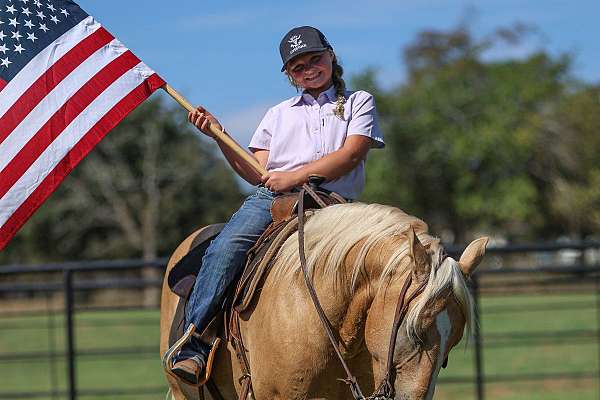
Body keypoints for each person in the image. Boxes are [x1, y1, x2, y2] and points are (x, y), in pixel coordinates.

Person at [171, 25, 385, 384]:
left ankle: (388, 344)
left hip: (335, 202)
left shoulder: (357, 101)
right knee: (227, 247)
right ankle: (196, 341)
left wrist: (296, 175)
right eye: (298, 67)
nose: (309, 69)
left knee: (384, 255)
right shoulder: (278, 114)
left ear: (330, 56)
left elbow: (351, 155)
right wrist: (219, 137)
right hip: (273, 200)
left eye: (315, 59)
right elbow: (257, 172)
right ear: (289, 75)